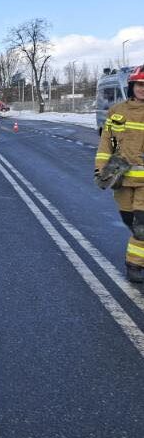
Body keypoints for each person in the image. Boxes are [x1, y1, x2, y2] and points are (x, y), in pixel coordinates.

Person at [95, 65, 144, 282]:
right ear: (132, 85)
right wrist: (101, 169)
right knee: (130, 221)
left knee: (142, 226)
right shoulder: (117, 112)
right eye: (140, 85)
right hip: (122, 180)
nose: (143, 89)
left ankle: (134, 265)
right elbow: (107, 143)